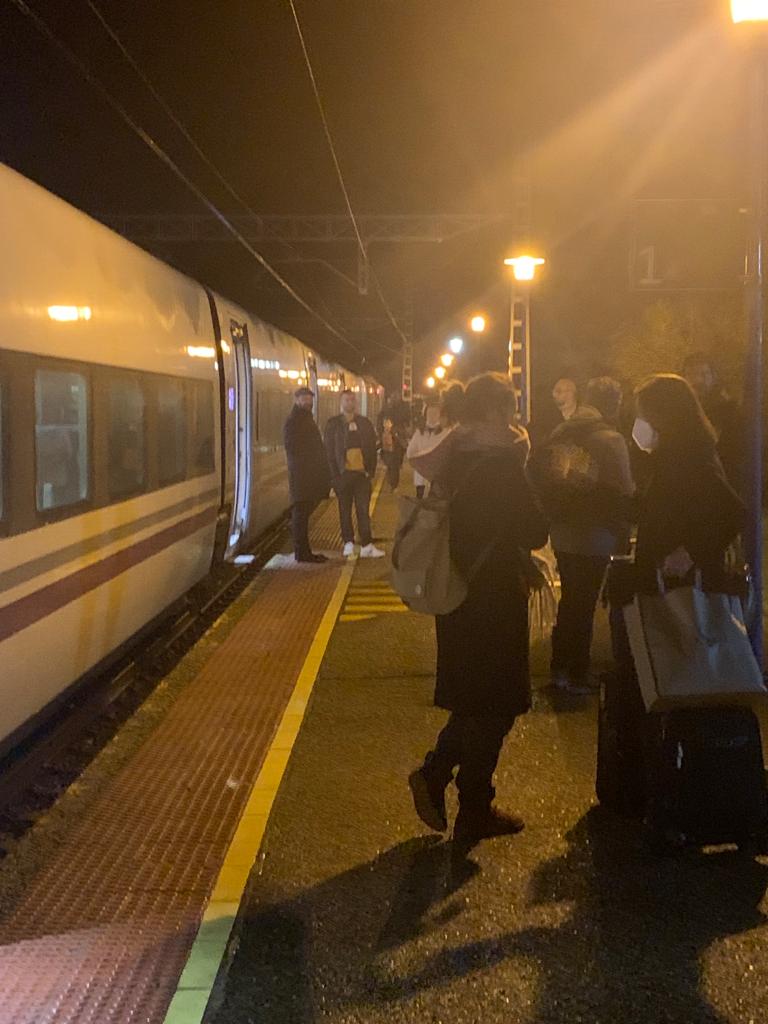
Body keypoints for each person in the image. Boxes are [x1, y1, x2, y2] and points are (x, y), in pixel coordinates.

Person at [408, 373, 548, 849]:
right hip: (494, 598)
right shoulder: (503, 464)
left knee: (474, 700)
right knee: (498, 704)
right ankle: (471, 807)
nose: (513, 419)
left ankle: (438, 776)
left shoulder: (451, 460)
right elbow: (534, 529)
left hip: (455, 594)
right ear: (493, 412)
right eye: (508, 409)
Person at [529, 376, 635, 696]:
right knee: (584, 603)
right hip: (596, 533)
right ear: (613, 403)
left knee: (571, 600)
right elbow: (626, 489)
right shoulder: (610, 439)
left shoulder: (562, 433)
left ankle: (560, 669)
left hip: (562, 530)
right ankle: (577, 672)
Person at [632, 373, 744, 592]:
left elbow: (732, 513)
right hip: (673, 580)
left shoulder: (686, 457)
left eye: (644, 414)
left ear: (665, 415)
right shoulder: (675, 455)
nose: (640, 422)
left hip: (685, 586)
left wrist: (690, 553)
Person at [324, 389, 385, 558]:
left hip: (361, 475)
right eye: (346, 400)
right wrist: (334, 477)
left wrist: (370, 471)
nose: (350, 403)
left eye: (352, 400)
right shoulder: (333, 424)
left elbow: (372, 447)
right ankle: (348, 543)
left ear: (355, 402)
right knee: (344, 510)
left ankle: (367, 545)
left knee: (363, 510)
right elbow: (329, 452)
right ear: (341, 402)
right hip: (343, 475)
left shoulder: (364, 423)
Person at [681, 353, 744, 496]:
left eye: (704, 374)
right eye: (691, 374)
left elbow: (710, 442)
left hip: (721, 479)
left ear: (714, 377)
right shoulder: (685, 407)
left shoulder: (725, 407)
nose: (697, 380)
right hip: (695, 480)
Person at [283, 387, 331, 563]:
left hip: (307, 475)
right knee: (301, 514)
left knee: (302, 514)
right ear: (296, 400)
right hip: (302, 476)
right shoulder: (294, 421)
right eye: (304, 399)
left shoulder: (304, 419)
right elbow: (294, 448)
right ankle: (302, 553)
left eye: (310, 399)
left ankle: (304, 551)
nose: (308, 402)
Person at [406, 398, 443, 499]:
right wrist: (418, 460)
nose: (432, 416)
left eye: (435, 413)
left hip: (437, 474)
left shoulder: (445, 432)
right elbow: (410, 451)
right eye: (430, 413)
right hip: (421, 472)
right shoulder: (420, 432)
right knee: (420, 497)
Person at [379, 415, 406, 491]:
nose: (386, 424)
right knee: (389, 470)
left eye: (388, 423)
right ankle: (391, 484)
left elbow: (400, 444)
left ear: (391, 424)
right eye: (385, 423)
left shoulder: (395, 433)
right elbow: (380, 444)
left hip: (394, 455)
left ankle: (394, 485)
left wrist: (400, 458)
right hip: (386, 454)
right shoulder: (382, 433)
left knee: (394, 471)